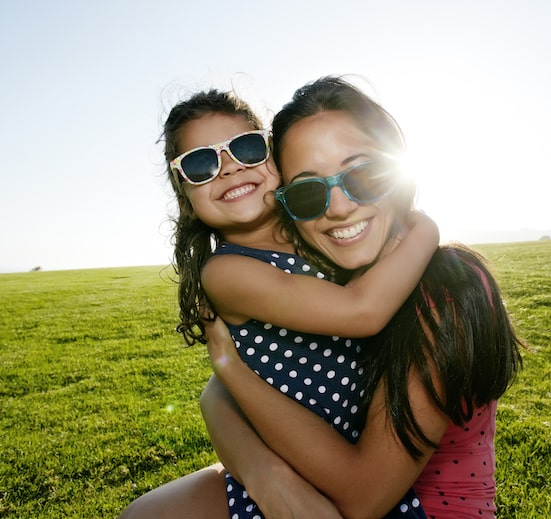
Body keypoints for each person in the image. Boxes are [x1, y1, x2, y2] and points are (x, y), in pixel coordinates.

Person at [201, 76, 525, 519]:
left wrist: (232, 373)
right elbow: (221, 395)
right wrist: (261, 471)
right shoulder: (331, 279)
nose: (337, 207)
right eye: (308, 191)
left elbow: (361, 499)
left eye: (364, 174)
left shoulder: (447, 288)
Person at [119, 86, 439, 519]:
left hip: (360, 457)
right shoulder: (227, 272)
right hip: (299, 463)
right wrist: (427, 231)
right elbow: (361, 311)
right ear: (185, 197)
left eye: (246, 148)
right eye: (201, 163)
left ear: (274, 159)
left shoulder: (316, 232)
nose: (229, 169)